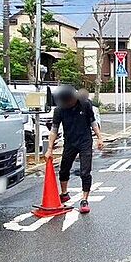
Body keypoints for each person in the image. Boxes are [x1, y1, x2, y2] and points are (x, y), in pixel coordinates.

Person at [45, 84, 104, 214]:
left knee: (85, 171)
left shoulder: (85, 104)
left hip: (85, 141)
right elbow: (54, 130)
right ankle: (64, 193)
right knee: (64, 168)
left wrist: (99, 137)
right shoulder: (59, 110)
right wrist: (49, 149)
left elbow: (93, 122)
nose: (67, 103)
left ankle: (84, 200)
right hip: (70, 142)